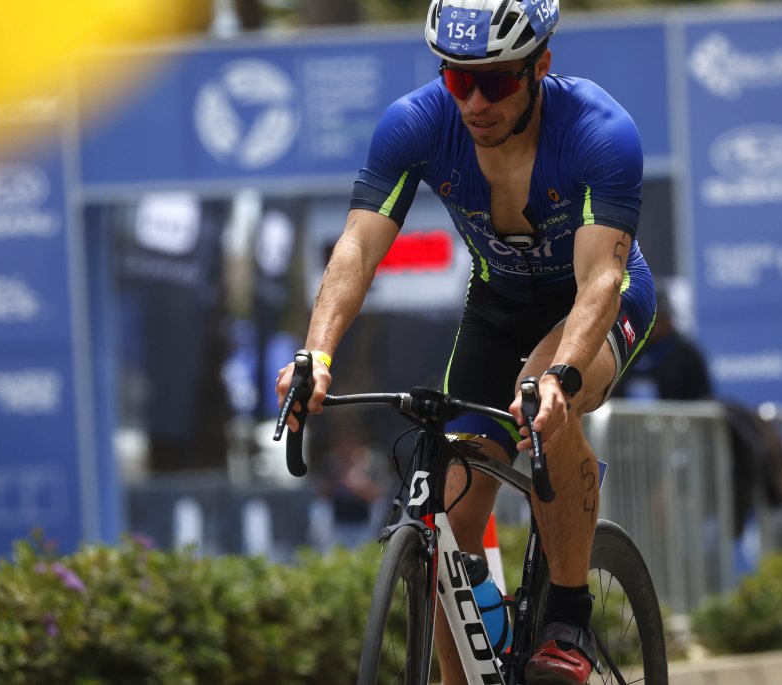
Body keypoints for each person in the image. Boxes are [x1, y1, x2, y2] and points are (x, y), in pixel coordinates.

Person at [275, 1, 656, 681]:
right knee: (445, 518)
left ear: (540, 66)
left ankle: (568, 617)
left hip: (595, 301)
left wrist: (562, 377)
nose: (476, 102)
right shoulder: (416, 123)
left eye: (497, 81)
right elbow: (358, 246)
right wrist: (317, 354)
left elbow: (601, 277)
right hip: (497, 306)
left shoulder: (600, 130)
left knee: (544, 398)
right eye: (458, 80)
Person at [613, 285, 711, 401]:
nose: (651, 324)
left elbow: (702, 401)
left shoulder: (687, 355)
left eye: (657, 318)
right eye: (645, 317)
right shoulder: (622, 349)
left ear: (668, 319)